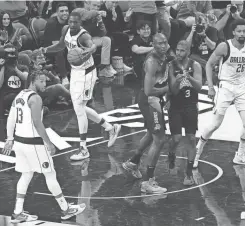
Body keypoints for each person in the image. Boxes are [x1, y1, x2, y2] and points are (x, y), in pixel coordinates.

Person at [2, 70, 85, 223]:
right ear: (33, 81)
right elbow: (37, 123)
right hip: (33, 144)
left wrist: (9, 139)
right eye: (42, 81)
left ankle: (17, 212)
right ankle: (65, 209)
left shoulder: (19, 95)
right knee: (50, 174)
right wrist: (48, 142)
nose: (45, 84)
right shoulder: (36, 98)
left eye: (45, 81)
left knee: (26, 175)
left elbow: (11, 119)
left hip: (19, 143)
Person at [41, 12, 121, 161]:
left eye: (75, 23)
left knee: (78, 108)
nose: (72, 25)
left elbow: (92, 47)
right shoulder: (65, 30)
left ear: (80, 23)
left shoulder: (83, 36)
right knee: (79, 107)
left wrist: (89, 50)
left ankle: (83, 148)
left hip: (87, 73)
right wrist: (46, 50)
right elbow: (60, 45)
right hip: (76, 72)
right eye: (70, 22)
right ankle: (110, 127)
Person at [194, 19, 245, 168]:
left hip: (242, 86)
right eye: (239, 31)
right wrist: (211, 87)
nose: (242, 33)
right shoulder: (224, 46)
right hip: (226, 86)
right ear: (233, 32)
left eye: (244, 31)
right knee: (215, 124)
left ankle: (240, 155)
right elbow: (209, 64)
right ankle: (197, 151)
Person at [122, 33, 171, 194]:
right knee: (160, 139)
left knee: (151, 133)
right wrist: (168, 89)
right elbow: (149, 90)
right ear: (153, 45)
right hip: (149, 99)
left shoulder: (165, 57)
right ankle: (147, 182)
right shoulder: (151, 62)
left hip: (156, 100)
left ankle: (133, 162)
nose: (163, 46)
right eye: (159, 43)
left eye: (165, 42)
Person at [167, 40, 202, 185]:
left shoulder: (195, 65)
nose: (179, 53)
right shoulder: (171, 66)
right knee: (176, 139)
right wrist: (177, 82)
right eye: (177, 50)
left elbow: (199, 87)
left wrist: (189, 78)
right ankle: (171, 155)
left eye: (182, 50)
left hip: (190, 105)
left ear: (188, 51)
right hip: (175, 105)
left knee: (192, 138)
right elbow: (172, 91)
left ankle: (188, 173)